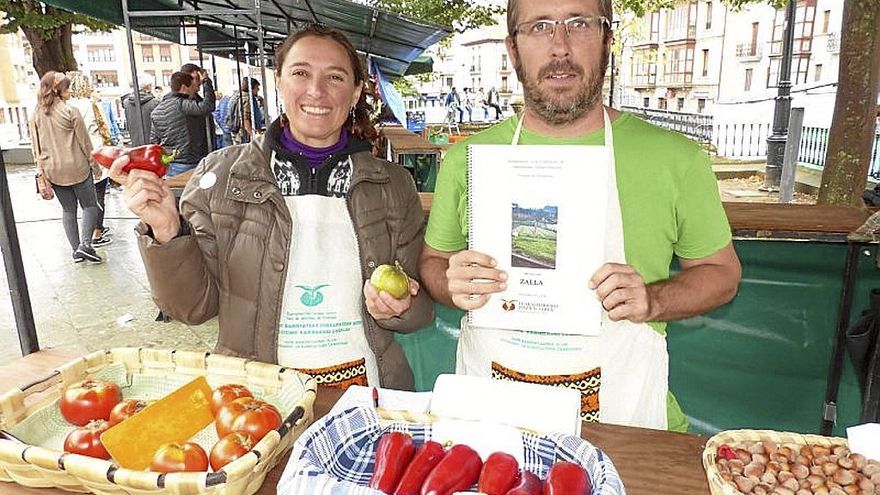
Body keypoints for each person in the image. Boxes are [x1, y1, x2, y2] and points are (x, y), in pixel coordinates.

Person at [418, 0, 741, 431]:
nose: (560, 47)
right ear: (513, 49)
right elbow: (433, 264)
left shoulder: (675, 159)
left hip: (625, 426)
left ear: (607, 39)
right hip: (492, 425)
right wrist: (450, 282)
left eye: (579, 23)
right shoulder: (466, 160)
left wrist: (653, 299)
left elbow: (721, 273)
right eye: (539, 27)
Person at [110, 24, 433, 390]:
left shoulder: (392, 185)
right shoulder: (220, 176)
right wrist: (168, 230)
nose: (316, 90)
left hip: (364, 392)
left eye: (335, 77)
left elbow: (421, 311)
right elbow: (191, 308)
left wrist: (401, 307)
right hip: (257, 401)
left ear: (356, 91)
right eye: (300, 73)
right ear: (278, 80)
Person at [29, 71, 104, 264]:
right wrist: (94, 165)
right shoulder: (71, 111)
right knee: (89, 205)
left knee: (68, 210)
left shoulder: (36, 114)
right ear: (58, 90)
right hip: (77, 166)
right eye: (67, 88)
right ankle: (85, 245)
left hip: (52, 169)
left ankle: (76, 251)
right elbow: (85, 142)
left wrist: (41, 171)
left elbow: (35, 146)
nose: (70, 91)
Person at [67, 72, 113, 247]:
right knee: (98, 194)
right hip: (95, 150)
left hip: (73, 155)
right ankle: (97, 232)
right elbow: (104, 128)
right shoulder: (91, 105)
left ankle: (86, 233)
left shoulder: (65, 106)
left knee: (82, 198)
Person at [149, 71, 216, 176]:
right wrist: (206, 82)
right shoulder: (182, 105)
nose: (194, 89)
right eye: (192, 86)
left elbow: (154, 140)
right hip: (189, 162)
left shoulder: (157, 110)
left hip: (170, 162)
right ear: (184, 87)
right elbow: (207, 106)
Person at [180, 63, 217, 153]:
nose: (199, 82)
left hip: (199, 151)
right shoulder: (183, 102)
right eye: (196, 78)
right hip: (192, 154)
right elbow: (209, 106)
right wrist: (206, 81)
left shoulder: (196, 99)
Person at [122, 73, 160, 147]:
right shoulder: (155, 102)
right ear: (148, 86)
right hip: (152, 145)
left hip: (135, 144)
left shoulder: (126, 103)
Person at [232, 77, 265, 144]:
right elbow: (245, 119)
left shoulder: (246, 98)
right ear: (251, 88)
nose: (258, 89)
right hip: (246, 136)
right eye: (256, 88)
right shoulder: (247, 100)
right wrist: (253, 135)